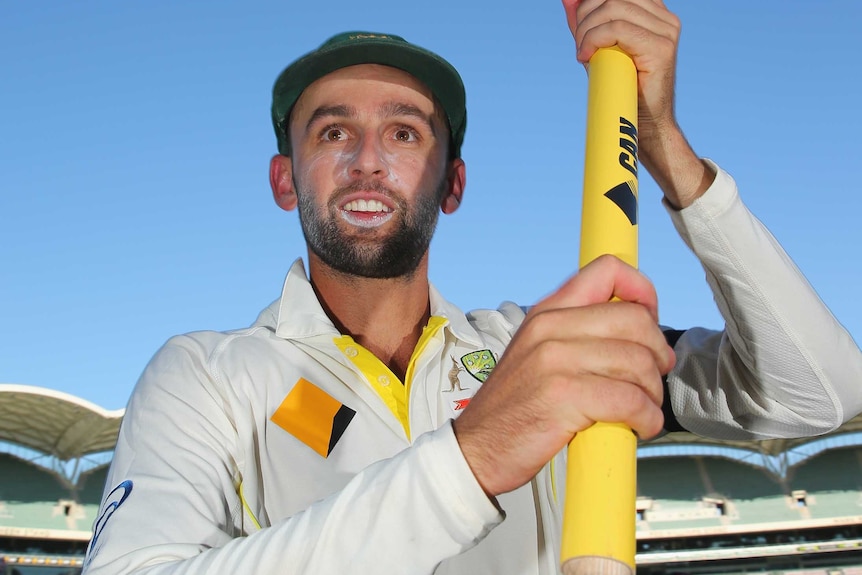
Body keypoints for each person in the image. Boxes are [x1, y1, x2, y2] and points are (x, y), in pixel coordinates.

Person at [82, 1, 862, 574]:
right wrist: (475, 455)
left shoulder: (536, 348)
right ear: (286, 181)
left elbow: (821, 393)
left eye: (404, 132)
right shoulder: (206, 377)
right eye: (331, 132)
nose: (365, 159)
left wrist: (666, 150)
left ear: (452, 184)